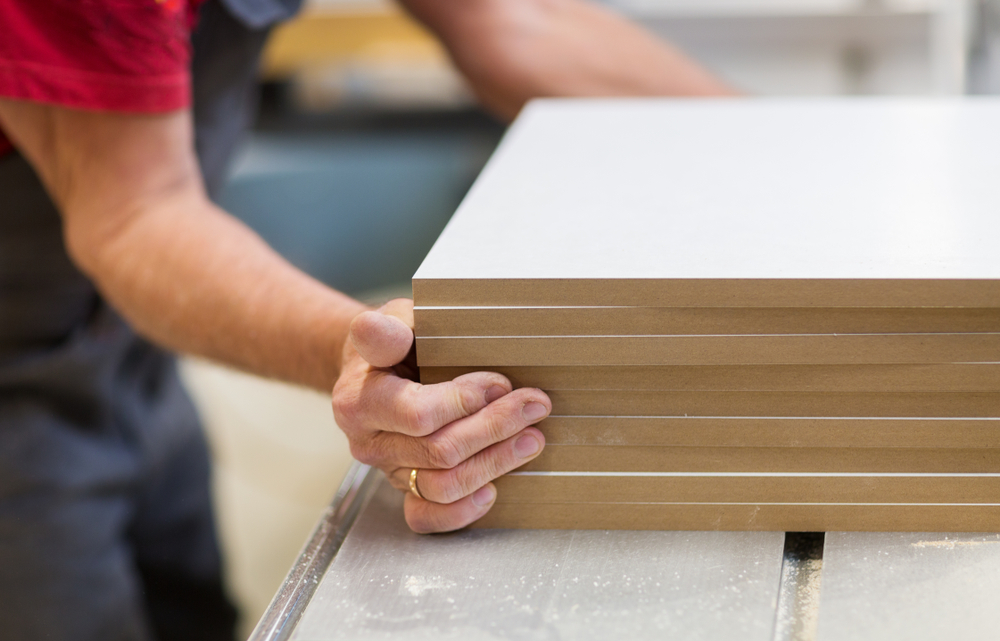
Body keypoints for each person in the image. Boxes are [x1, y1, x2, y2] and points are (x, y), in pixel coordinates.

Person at [0, 0, 733, 639]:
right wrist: (369, 359)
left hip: (124, 350)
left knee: (190, 616)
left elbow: (512, 21)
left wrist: (787, 147)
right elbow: (135, 215)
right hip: (16, 383)